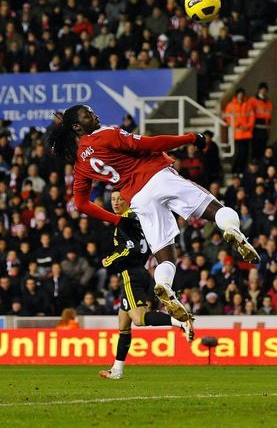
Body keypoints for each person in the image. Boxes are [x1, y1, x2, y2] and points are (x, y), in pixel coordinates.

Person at [44, 105, 259, 326]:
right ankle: (233, 230)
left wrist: (117, 219)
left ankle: (165, 286)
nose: (95, 114)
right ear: (78, 126)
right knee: (215, 209)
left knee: (166, 254)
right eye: (88, 114)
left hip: (138, 200)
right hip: (157, 177)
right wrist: (190, 138)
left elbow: (80, 203)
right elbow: (149, 143)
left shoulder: (80, 165)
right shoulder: (107, 134)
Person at [99, 191, 194, 380]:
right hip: (140, 270)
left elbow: (130, 248)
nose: (116, 203)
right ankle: (117, 370)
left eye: (120, 199)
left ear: (127, 200)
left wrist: (109, 260)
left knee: (138, 319)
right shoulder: (138, 219)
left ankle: (180, 321)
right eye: (113, 199)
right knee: (123, 324)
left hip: (130, 274)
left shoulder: (124, 222)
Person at [224, 88, 253, 175]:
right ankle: (235, 169)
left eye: (242, 94)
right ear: (236, 95)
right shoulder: (231, 105)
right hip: (237, 134)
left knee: (245, 153)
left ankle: (242, 169)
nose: (240, 96)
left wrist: (247, 126)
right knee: (238, 153)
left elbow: (252, 117)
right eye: (239, 94)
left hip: (246, 133)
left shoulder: (248, 105)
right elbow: (228, 117)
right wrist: (237, 125)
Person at [248, 82, 273, 159]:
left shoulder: (268, 102)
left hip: (265, 128)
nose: (263, 91)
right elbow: (250, 114)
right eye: (262, 89)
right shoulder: (253, 100)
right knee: (255, 148)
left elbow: (269, 115)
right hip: (256, 128)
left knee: (263, 148)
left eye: (265, 89)